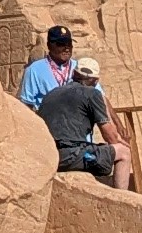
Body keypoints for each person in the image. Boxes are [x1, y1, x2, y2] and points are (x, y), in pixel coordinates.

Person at [35, 55, 125, 186]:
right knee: (123, 152)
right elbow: (109, 136)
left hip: (50, 155)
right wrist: (120, 143)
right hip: (72, 156)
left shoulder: (52, 93)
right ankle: (122, 197)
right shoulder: (93, 94)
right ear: (95, 81)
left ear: (74, 74)